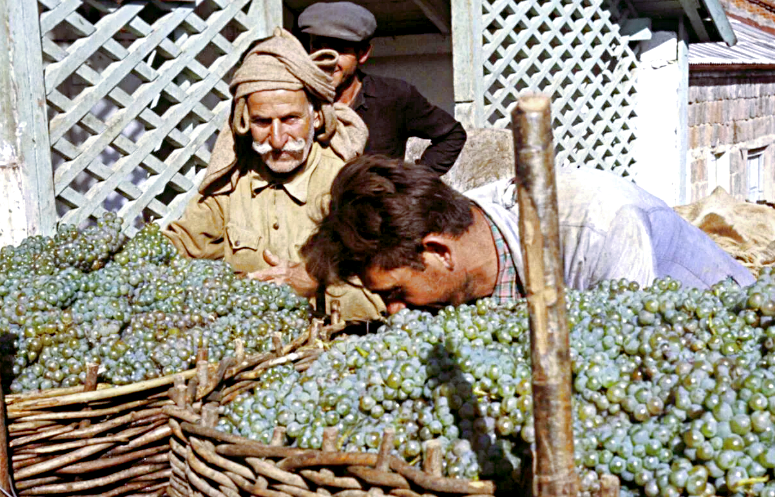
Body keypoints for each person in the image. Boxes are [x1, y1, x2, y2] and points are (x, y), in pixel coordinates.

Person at [302, 154, 755, 314]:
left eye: (397, 291)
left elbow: (630, 369)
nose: (396, 311)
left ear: (439, 251)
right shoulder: (466, 223)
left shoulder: (599, 228)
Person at [163, 28, 384, 322]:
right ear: (244, 122)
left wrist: (315, 285)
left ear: (316, 116)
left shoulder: (349, 189)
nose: (277, 139)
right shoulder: (231, 187)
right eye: (262, 122)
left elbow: (385, 296)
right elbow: (176, 246)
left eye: (291, 119)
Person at [298, 1, 466, 174]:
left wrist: (414, 182)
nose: (326, 60)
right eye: (317, 46)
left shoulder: (393, 96)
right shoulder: (296, 97)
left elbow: (452, 135)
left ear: (362, 54)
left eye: (340, 50)